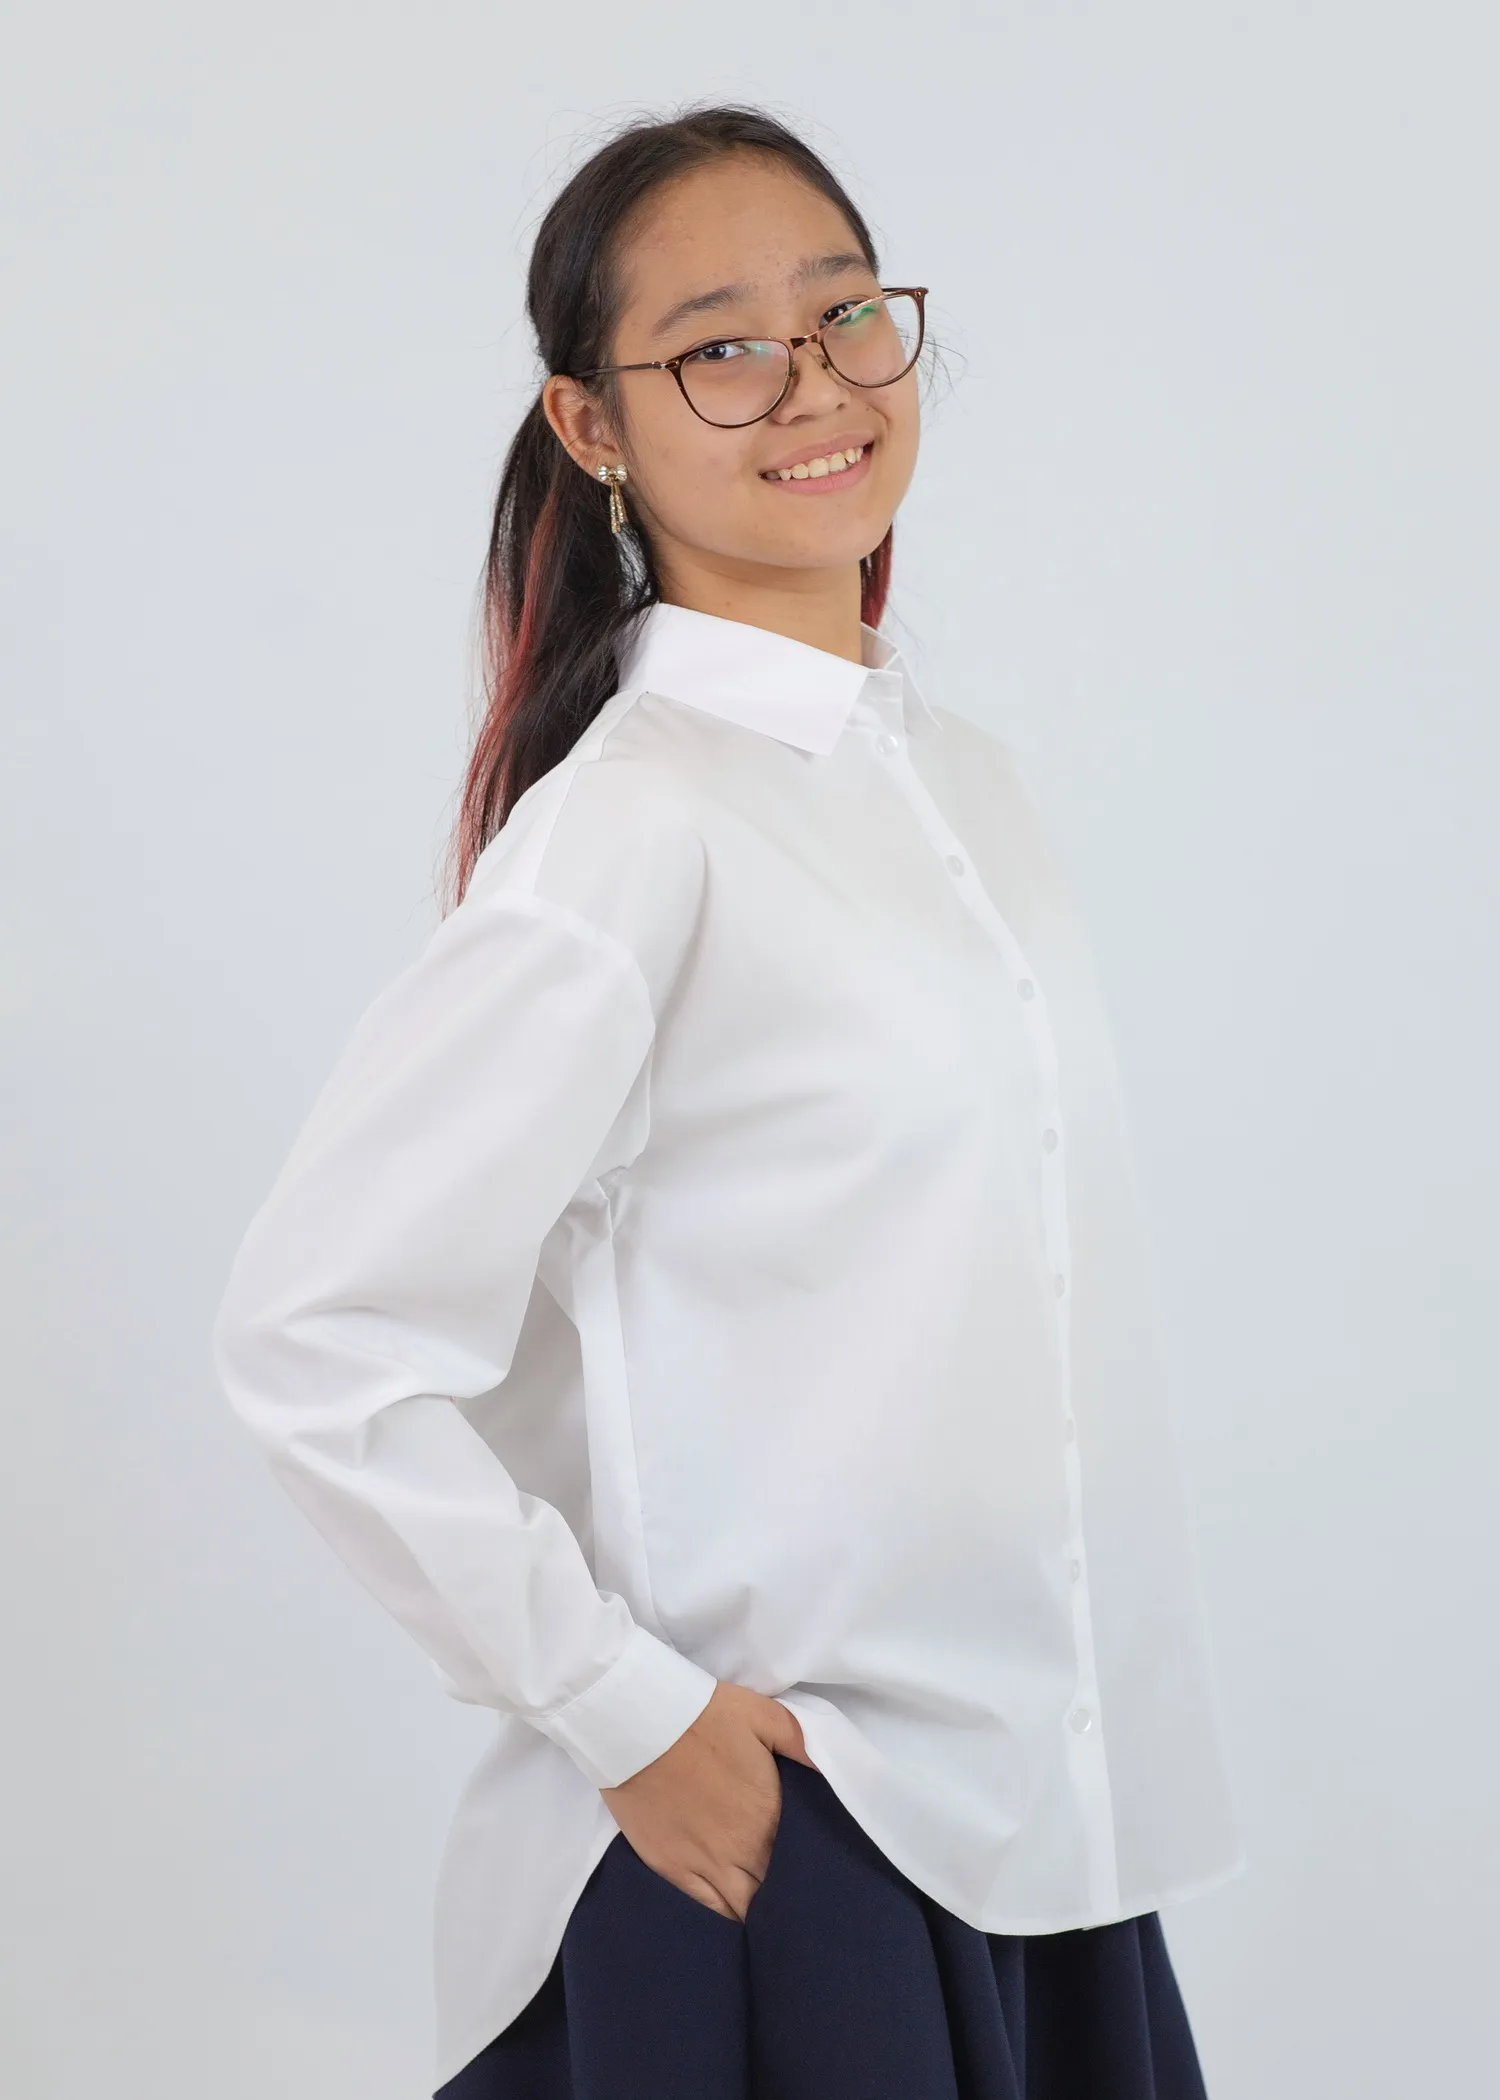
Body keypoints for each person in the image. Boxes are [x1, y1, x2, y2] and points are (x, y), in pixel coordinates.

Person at [211, 101, 1247, 2100]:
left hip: (1034, 1827)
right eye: (721, 348)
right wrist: (625, 1711)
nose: (815, 384)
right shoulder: (634, 830)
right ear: (591, 423)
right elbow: (315, 1339)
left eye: (845, 314)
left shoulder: (962, 783)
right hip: (795, 1831)